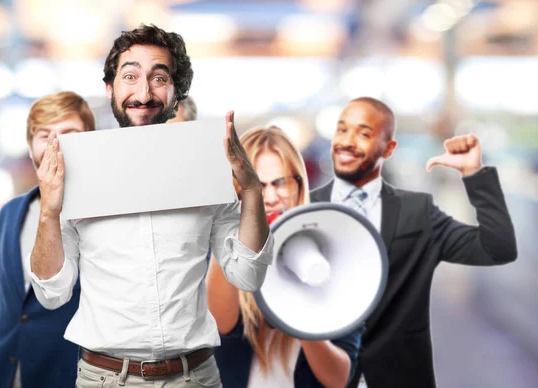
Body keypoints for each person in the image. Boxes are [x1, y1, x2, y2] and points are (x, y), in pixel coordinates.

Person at [29, 24, 273, 388]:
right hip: (105, 378)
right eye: (130, 76)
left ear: (176, 94)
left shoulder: (207, 165)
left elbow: (248, 275)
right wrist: (49, 209)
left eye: (159, 78)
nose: (143, 93)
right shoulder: (77, 168)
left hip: (195, 377)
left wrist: (251, 188)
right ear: (110, 88)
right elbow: (52, 294)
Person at [310, 96, 517, 388]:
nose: (347, 141)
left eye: (364, 133)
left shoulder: (417, 213)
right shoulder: (303, 211)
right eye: (342, 130)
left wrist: (474, 174)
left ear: (389, 148)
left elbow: (497, 248)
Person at [0, 91, 96, 388]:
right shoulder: (12, 212)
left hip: (66, 376)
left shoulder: (104, 218)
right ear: (31, 148)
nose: (56, 145)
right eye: (45, 135)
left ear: (91, 142)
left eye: (69, 133)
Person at [207, 125, 364, 388]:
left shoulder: (336, 257)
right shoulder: (218, 257)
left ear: (299, 184)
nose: (268, 197)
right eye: (254, 186)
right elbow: (221, 325)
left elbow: (339, 379)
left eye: (280, 183)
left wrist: (299, 312)